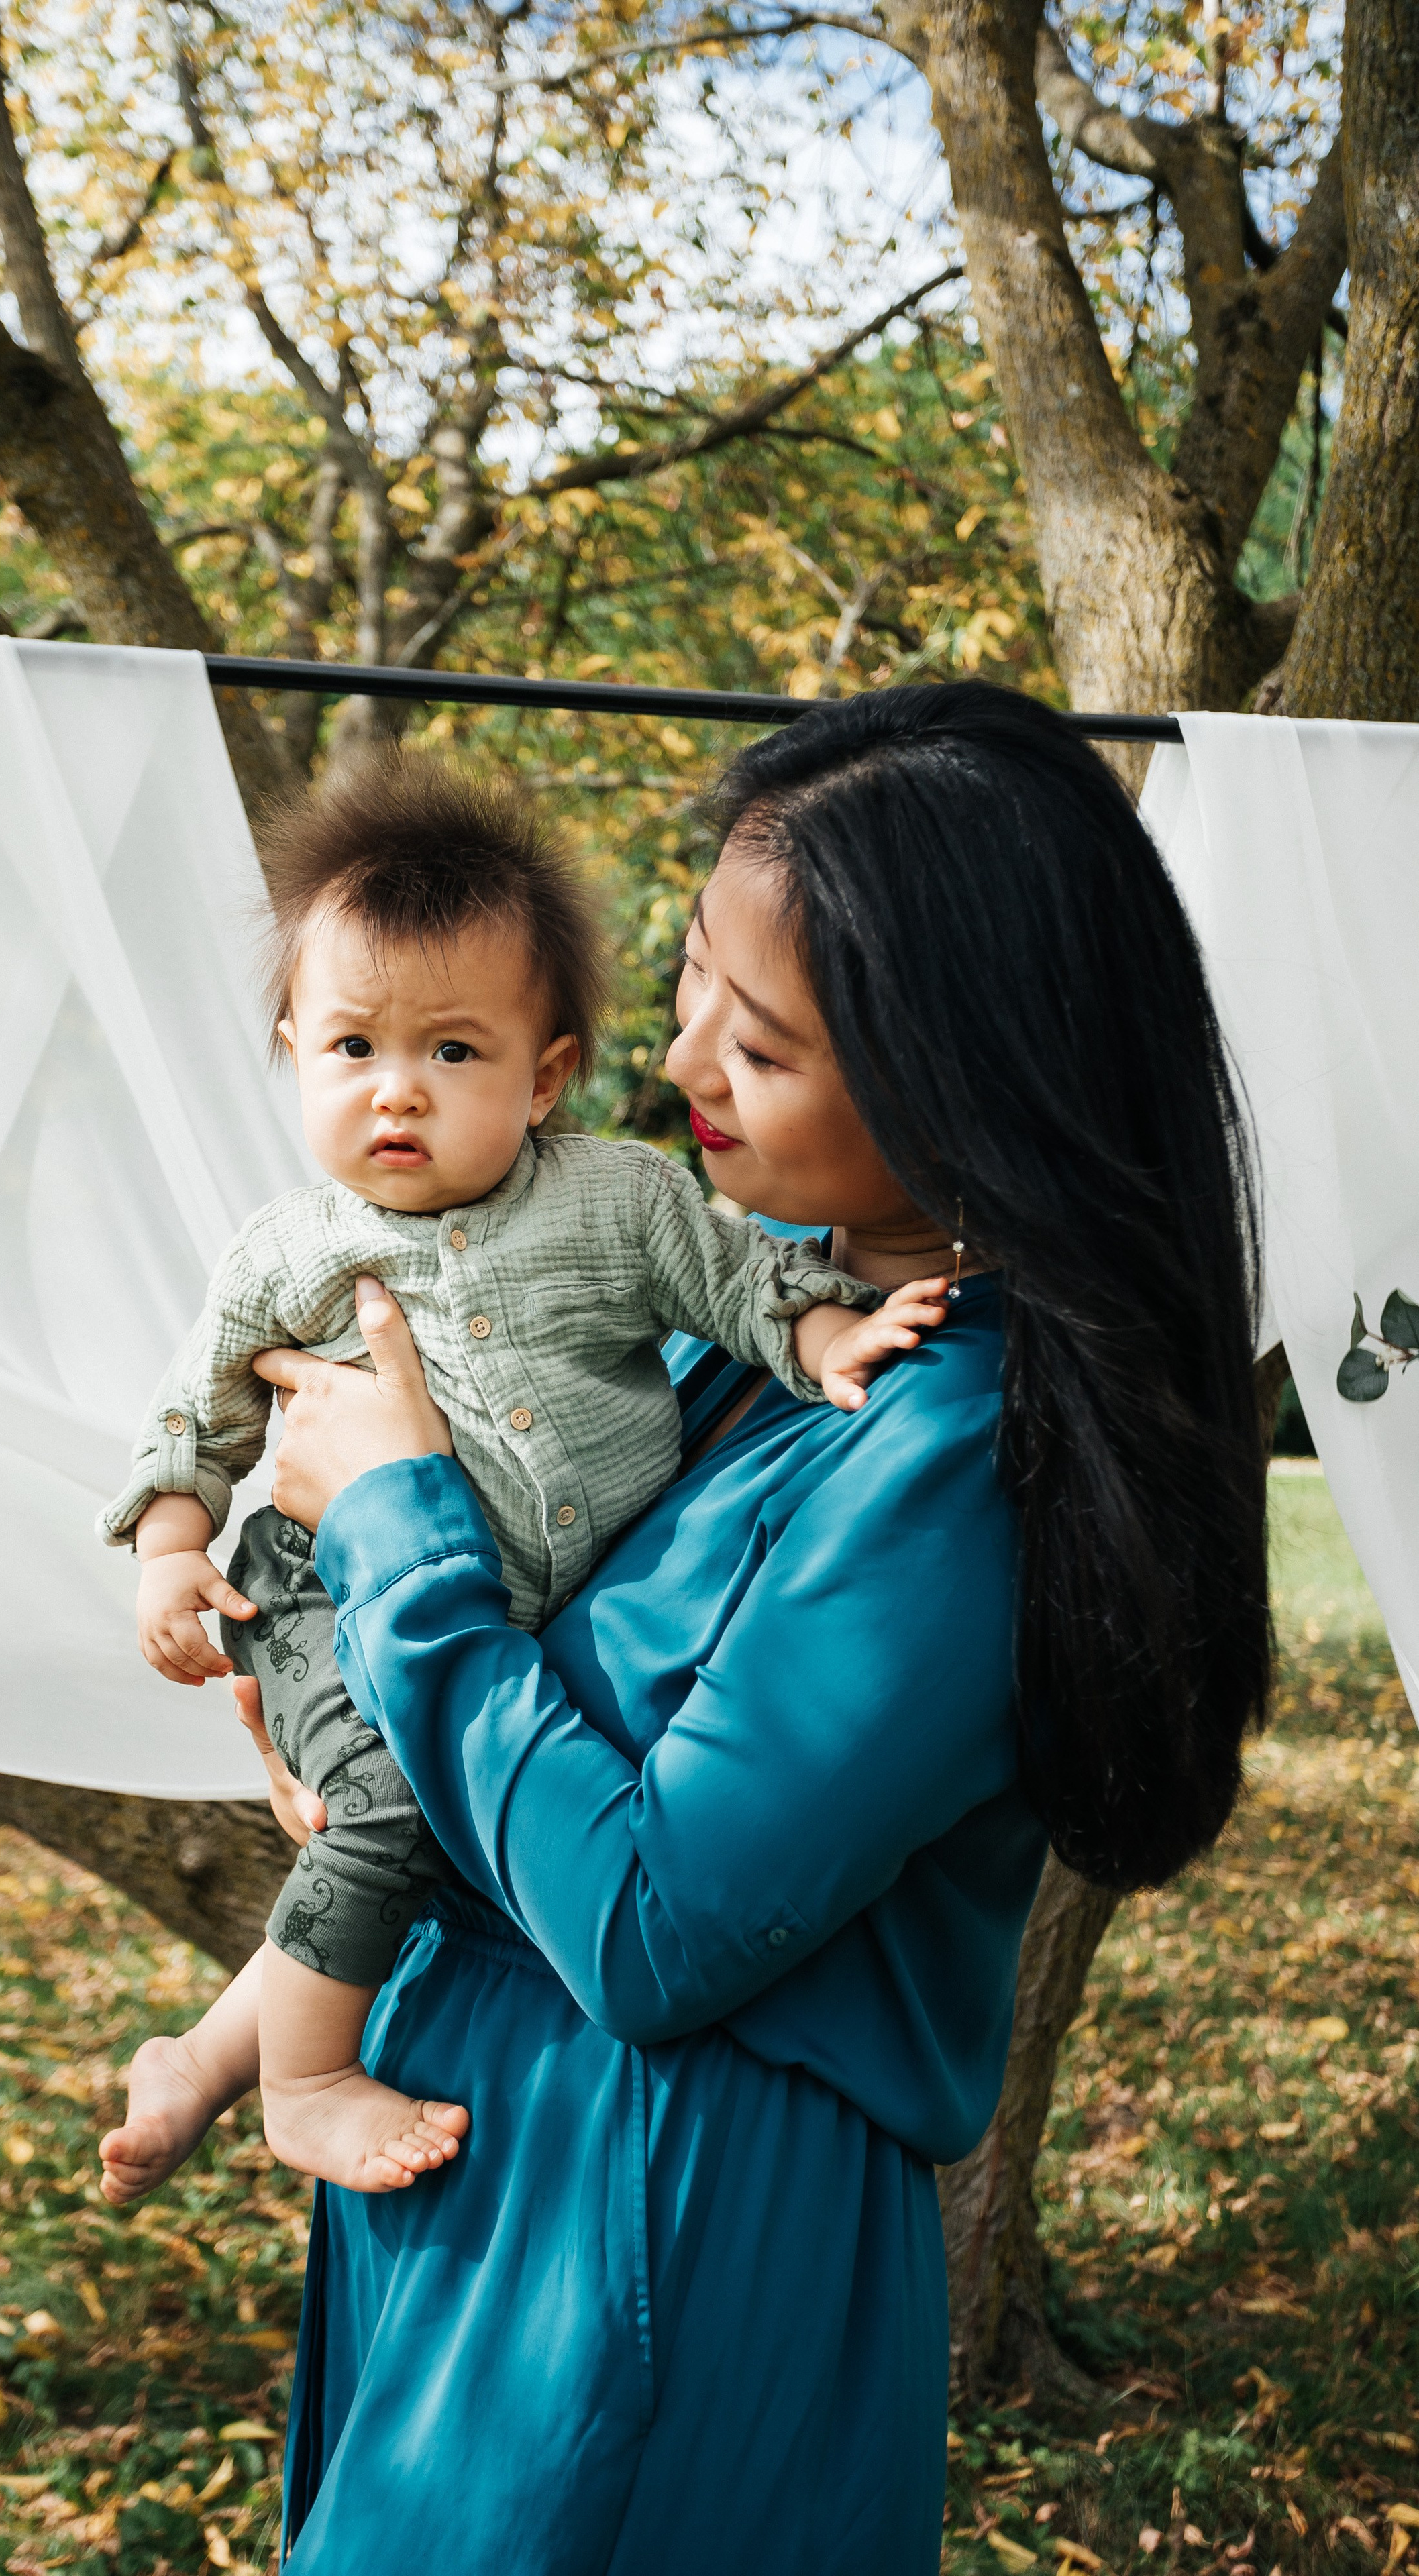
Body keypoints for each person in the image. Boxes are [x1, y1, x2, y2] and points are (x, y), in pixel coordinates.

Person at [243, 682, 1271, 2574]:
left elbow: (654, 1923)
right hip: (490, 2180)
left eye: (766, 1041)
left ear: (970, 1081)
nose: (682, 1056)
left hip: (652, 2238)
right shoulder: (755, 1332)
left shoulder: (958, 1459)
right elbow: (525, 1717)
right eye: (695, 978)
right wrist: (347, 1734)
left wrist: (396, 1528)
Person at [95, 753, 942, 2203]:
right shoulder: (287, 1252)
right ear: (293, 1050)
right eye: (350, 1049)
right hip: (315, 1583)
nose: (396, 1093)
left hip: (490, 1602)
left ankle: (209, 2050)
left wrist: (826, 1337)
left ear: (543, 1076)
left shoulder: (621, 1202)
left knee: (423, 1806)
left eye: (452, 1053)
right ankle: (299, 2080)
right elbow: (200, 1415)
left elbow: (738, 1285)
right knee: (384, 1805)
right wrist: (173, 1551)